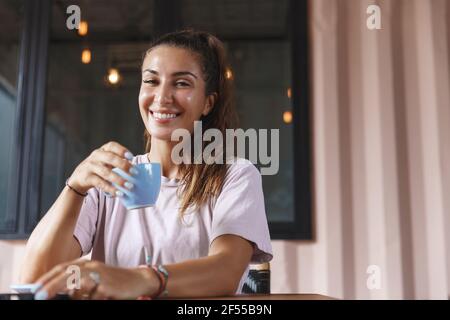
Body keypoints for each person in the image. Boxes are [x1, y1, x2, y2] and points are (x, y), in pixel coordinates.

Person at [19, 29, 273, 300]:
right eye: (151, 81)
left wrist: (141, 279)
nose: (162, 97)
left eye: (182, 83)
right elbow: (35, 278)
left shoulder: (235, 175)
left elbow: (226, 270)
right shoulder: (110, 177)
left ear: (208, 103)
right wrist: (75, 188)